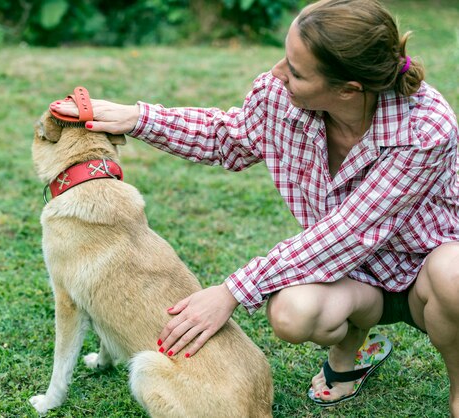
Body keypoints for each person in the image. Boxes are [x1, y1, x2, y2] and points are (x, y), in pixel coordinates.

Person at [49, 0, 459, 413]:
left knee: (454, 276)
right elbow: (226, 138)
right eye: (286, 57)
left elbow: (350, 232)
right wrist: (137, 118)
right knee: (292, 314)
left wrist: (231, 291)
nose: (278, 73)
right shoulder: (280, 96)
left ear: (348, 89)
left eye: (296, 71)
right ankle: (353, 347)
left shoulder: (425, 129)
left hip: (423, 277)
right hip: (355, 278)